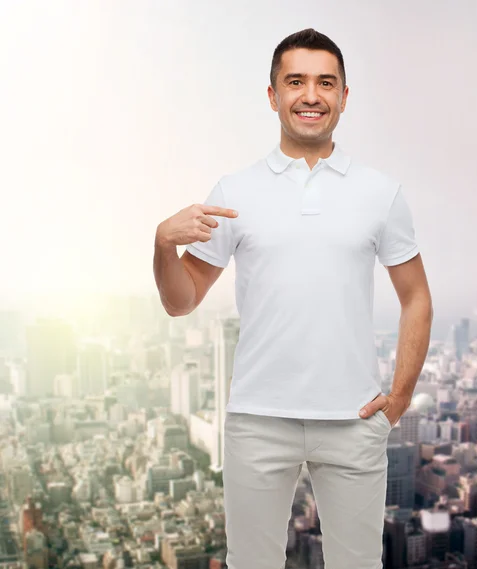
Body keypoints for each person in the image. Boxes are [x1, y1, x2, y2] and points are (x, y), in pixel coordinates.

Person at [154, 27, 433, 569]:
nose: (311, 95)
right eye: (296, 81)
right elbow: (180, 300)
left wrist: (398, 399)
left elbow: (416, 296)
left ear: (344, 96)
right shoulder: (234, 192)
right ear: (273, 95)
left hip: (353, 420)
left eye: (326, 83)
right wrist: (163, 243)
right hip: (258, 419)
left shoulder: (381, 192)